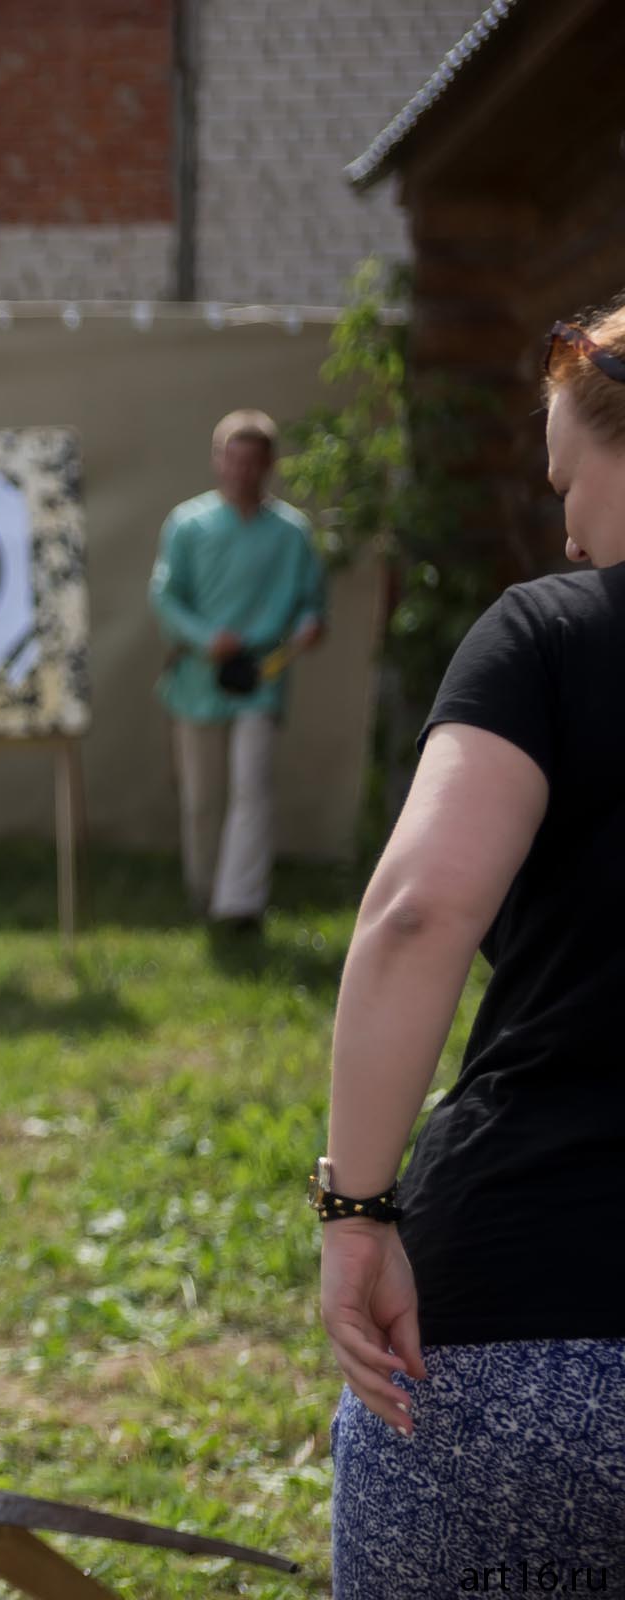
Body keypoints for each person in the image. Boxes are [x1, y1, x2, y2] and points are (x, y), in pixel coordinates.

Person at [319, 311, 625, 1594]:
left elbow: (417, 913)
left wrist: (356, 1211)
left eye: (571, 483)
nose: (565, 531)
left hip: (527, 1318)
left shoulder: (549, 633)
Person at [148, 411, 328, 930]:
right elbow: (164, 596)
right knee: (202, 797)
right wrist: (207, 638)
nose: (242, 470)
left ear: (270, 464)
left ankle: (239, 905)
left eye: (253, 461)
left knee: (252, 790)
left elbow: (312, 603)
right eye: (232, 458)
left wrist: (311, 625)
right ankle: (203, 891)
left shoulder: (292, 531)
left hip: (262, 679)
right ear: (217, 459)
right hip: (198, 678)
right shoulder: (187, 523)